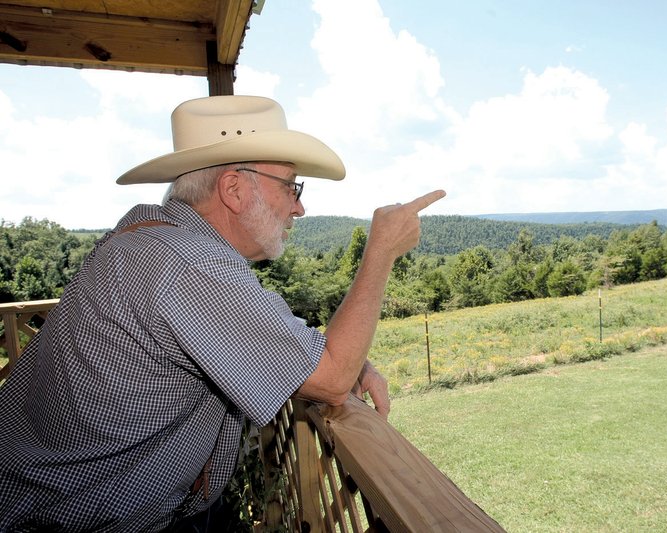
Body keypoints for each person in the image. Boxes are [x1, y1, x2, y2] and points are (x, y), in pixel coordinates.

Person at [0, 95, 445, 531]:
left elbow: (266, 336)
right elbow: (331, 380)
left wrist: (339, 355)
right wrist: (380, 252)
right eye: (290, 186)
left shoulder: (152, 239)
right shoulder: (189, 266)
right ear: (233, 189)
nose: (299, 207)